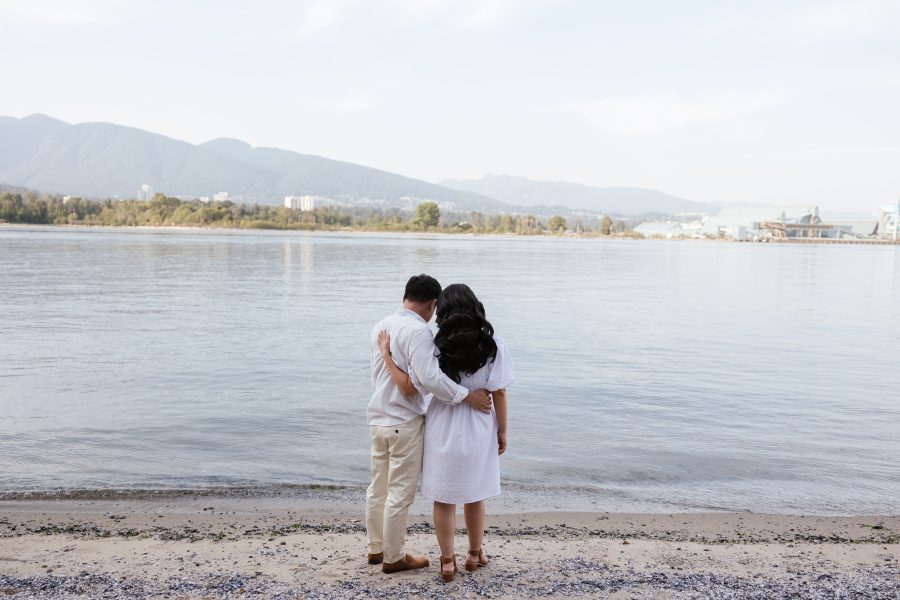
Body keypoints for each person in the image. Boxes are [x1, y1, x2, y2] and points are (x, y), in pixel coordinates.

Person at [378, 283, 513, 582]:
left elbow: (418, 385)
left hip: (441, 425)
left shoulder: (435, 346)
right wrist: (502, 430)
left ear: (443, 312)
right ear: (476, 307)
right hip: (479, 423)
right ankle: (474, 554)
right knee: (476, 495)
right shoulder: (493, 346)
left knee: (444, 497)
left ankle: (447, 561)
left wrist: (387, 356)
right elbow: (499, 392)